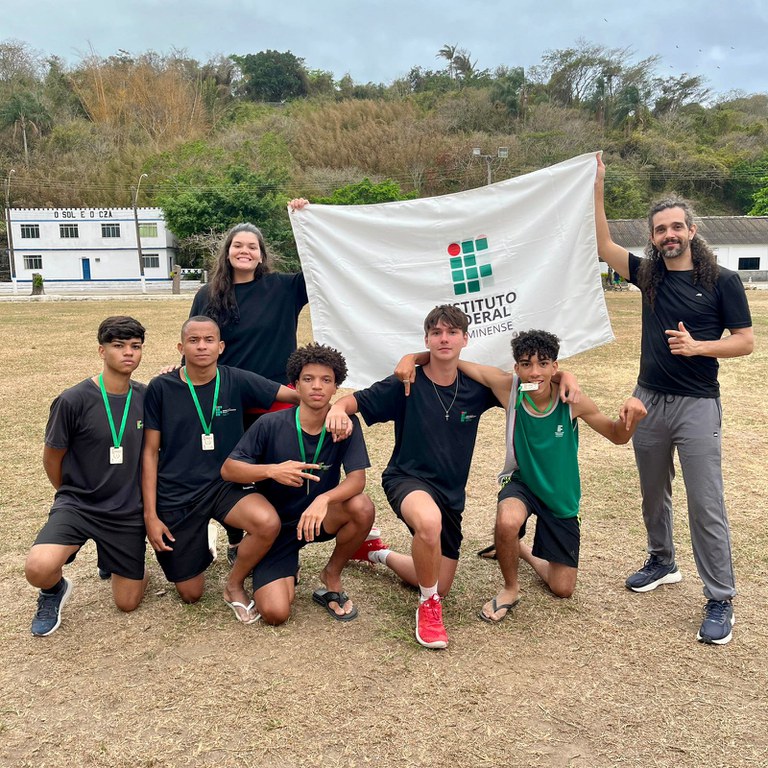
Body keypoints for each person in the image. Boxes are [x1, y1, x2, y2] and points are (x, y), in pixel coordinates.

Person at [594, 153, 754, 645]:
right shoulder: (649, 275)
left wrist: (699, 346)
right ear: (653, 235)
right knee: (652, 492)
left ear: (691, 230)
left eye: (675, 227)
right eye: (660, 228)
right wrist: (597, 184)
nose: (668, 235)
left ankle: (720, 598)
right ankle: (662, 560)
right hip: (649, 400)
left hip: (697, 403)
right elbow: (602, 245)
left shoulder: (722, 280)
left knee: (706, 503)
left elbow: (745, 340)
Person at [325, 305, 502, 649]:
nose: (444, 338)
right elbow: (353, 402)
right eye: (436, 333)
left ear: (466, 339)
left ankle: (376, 552)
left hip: (450, 493)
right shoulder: (406, 382)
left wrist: (565, 378)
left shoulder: (477, 388)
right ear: (427, 339)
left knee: (440, 579)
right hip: (407, 478)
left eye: (452, 332)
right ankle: (428, 607)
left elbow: (526, 383)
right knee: (428, 525)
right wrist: (335, 409)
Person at [443, 330, 646, 622]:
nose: (534, 372)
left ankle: (519, 549)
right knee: (508, 519)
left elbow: (617, 436)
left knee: (562, 588)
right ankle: (510, 589)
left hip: (560, 495)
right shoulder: (511, 390)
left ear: (555, 367)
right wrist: (415, 357)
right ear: (516, 368)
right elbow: (457, 362)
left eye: (543, 363)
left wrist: (632, 420)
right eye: (526, 364)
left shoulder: (571, 401)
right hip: (521, 481)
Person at [141, 316, 299, 623]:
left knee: (267, 523)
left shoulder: (235, 379)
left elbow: (292, 395)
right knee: (191, 594)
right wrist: (151, 516)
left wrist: (335, 410)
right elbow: (149, 453)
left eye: (209, 340)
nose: (202, 346)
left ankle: (233, 584)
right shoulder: (161, 387)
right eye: (194, 340)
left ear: (221, 346)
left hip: (225, 484)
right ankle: (201, 541)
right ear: (181, 347)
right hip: (178, 492)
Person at [221, 343, 374, 624]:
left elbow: (357, 480)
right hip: (275, 527)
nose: (317, 386)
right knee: (276, 613)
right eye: (308, 379)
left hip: (317, 519)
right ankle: (258, 572)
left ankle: (332, 574)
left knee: (361, 507)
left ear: (336, 386)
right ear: (295, 385)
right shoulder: (270, 424)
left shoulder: (345, 424)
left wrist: (323, 499)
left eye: (326, 380)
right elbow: (229, 470)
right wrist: (271, 471)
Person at [189, 212, 309, 560]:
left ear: (261, 254)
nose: (244, 251)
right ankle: (235, 536)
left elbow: (321, 269)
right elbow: (198, 338)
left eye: (252, 246)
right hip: (226, 395)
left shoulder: (285, 287)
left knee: (278, 471)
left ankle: (280, 542)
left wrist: (304, 220)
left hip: (277, 395)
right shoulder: (208, 294)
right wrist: (181, 369)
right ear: (227, 252)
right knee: (229, 468)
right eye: (237, 245)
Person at [24, 316, 148, 636]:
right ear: (101, 350)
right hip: (79, 504)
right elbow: (52, 459)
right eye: (118, 346)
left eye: (135, 347)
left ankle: (113, 555)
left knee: (127, 602)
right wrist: (70, 494)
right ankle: (54, 591)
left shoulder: (148, 397)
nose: (128, 353)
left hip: (126, 511)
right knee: (38, 568)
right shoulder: (72, 400)